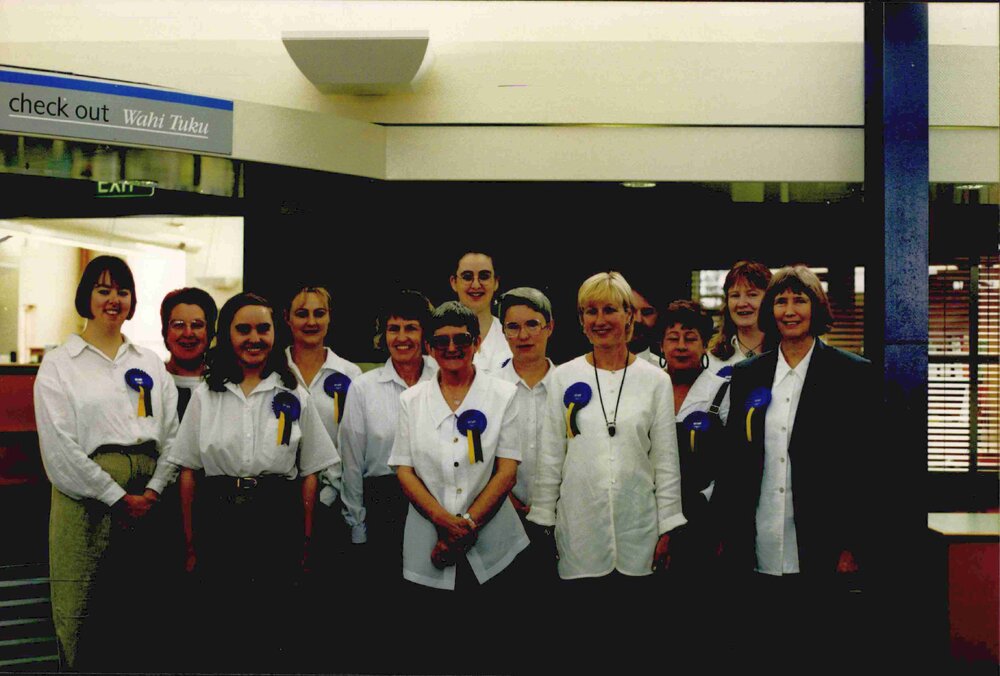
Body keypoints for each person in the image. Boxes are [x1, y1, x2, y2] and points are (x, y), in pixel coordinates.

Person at [168, 292, 341, 672]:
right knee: (220, 631)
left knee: (276, 630)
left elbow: (311, 472)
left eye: (262, 329)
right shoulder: (205, 395)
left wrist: (307, 542)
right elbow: (188, 473)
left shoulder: (294, 393)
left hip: (278, 519)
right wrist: (190, 544)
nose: (253, 338)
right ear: (227, 335)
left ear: (274, 334)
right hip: (219, 518)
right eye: (242, 329)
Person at [714, 265, 875, 662]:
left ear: (815, 307)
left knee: (817, 653)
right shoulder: (748, 375)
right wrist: (723, 533)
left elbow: (865, 471)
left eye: (799, 300)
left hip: (822, 545)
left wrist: (852, 546)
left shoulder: (851, 373)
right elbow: (735, 463)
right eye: (781, 301)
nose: (789, 310)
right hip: (757, 540)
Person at [33, 255, 179, 671]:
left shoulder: (148, 362)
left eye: (122, 291)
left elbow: (173, 434)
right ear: (87, 297)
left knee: (142, 611)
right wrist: (115, 495)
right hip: (88, 495)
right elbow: (59, 446)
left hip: (151, 492)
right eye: (103, 290)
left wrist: (153, 490)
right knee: (81, 610)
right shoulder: (61, 364)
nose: (113, 299)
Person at [528, 272, 685, 603]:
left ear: (629, 315)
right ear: (581, 320)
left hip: (639, 533)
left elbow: (666, 462)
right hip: (580, 533)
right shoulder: (563, 378)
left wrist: (668, 528)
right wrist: (544, 522)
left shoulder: (656, 381)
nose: (600, 320)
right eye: (591, 311)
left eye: (609, 310)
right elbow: (551, 457)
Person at [388, 300, 527, 593]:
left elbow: (507, 472)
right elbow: (404, 470)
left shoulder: (504, 396)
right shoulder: (410, 401)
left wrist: (462, 528)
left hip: (495, 549)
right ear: (429, 346)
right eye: (441, 341)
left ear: (476, 343)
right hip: (428, 543)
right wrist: (444, 523)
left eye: (462, 339)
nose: (451, 348)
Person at [338, 290, 437, 587]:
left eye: (411, 328)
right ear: (383, 335)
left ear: (424, 333)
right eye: (394, 328)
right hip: (384, 506)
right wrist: (358, 526)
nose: (402, 337)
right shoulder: (363, 388)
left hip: (437, 504)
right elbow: (352, 464)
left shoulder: (443, 379)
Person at [282, 284, 362, 543]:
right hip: (279, 497)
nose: (311, 321)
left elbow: (353, 447)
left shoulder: (350, 375)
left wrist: (330, 496)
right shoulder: (271, 372)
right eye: (302, 313)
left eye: (320, 313)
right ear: (287, 318)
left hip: (334, 501)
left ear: (329, 317)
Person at [656, 300, 729, 575]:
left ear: (705, 344)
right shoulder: (647, 388)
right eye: (673, 338)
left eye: (691, 338)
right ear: (661, 344)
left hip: (704, 518)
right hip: (649, 515)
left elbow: (731, 467)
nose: (681, 346)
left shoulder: (723, 391)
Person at [494, 287, 558, 579]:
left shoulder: (571, 386)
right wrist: (510, 504)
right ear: (503, 332)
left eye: (532, 324)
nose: (523, 336)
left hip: (562, 520)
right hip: (502, 519)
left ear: (549, 327)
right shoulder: (488, 389)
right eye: (513, 327)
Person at [160, 286, 217, 420]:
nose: (188, 333)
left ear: (210, 333)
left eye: (197, 325)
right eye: (179, 325)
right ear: (165, 332)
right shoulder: (154, 380)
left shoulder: (223, 384)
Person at [450, 250, 512, 373]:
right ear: (454, 283)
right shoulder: (438, 338)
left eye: (484, 276)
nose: (476, 285)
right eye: (467, 277)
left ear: (496, 282)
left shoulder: (512, 337)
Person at [707, 260, 773, 373]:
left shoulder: (786, 354)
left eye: (752, 295)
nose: (742, 303)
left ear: (769, 300)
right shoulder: (711, 358)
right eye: (735, 295)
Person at [629, 283, 662, 366]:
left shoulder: (665, 373)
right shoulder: (594, 369)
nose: (638, 320)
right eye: (631, 311)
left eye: (647, 312)